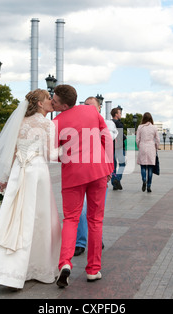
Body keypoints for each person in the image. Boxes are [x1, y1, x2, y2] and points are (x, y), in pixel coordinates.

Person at [0, 89, 61, 289]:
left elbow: (12, 151)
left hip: (18, 170)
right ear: (40, 104)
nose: (51, 101)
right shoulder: (47, 124)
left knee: (14, 218)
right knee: (39, 218)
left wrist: (6, 178)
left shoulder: (20, 122)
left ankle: (9, 270)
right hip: (37, 172)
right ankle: (38, 268)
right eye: (48, 98)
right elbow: (51, 155)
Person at [51, 85, 114, 287]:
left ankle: (65, 264)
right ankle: (93, 270)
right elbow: (106, 139)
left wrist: (68, 157)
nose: (52, 102)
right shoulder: (91, 111)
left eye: (54, 100)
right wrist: (108, 166)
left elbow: (53, 153)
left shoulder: (55, 122)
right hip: (98, 171)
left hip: (73, 175)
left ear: (64, 104)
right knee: (96, 220)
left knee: (71, 219)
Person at [74, 97, 117, 257]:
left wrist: (109, 171)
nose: (89, 110)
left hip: (99, 172)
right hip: (80, 171)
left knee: (96, 211)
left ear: (99, 108)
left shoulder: (107, 124)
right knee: (81, 209)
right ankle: (80, 242)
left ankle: (97, 239)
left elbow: (109, 144)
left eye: (92, 107)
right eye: (86, 106)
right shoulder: (77, 123)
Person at [136, 112, 160, 193]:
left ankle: (144, 180)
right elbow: (157, 139)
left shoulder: (140, 127)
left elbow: (137, 139)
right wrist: (156, 147)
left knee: (143, 166)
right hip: (151, 147)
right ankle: (149, 185)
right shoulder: (154, 127)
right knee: (150, 167)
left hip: (143, 146)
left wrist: (139, 146)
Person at [110, 107, 126, 190]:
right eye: (120, 113)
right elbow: (120, 136)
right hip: (119, 147)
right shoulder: (119, 124)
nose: (120, 114)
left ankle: (114, 184)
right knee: (122, 164)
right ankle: (117, 178)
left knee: (113, 166)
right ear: (116, 114)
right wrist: (124, 137)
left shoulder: (109, 123)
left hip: (111, 147)